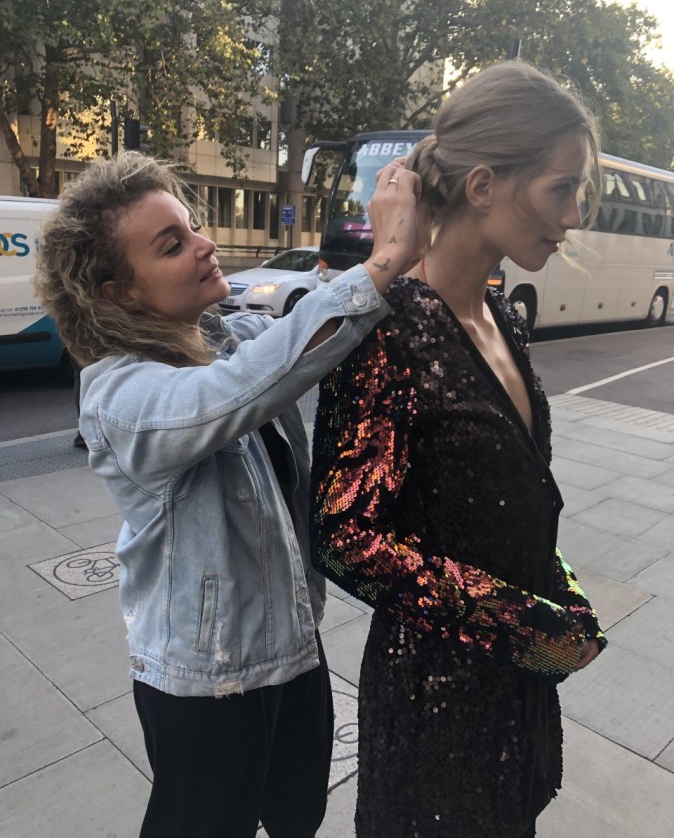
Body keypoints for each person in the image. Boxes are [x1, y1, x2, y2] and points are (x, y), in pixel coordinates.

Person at [34, 150, 423, 838]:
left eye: (192, 226)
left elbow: (302, 337)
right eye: (171, 245)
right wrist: (386, 256)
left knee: (299, 813)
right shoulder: (118, 395)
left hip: (294, 645)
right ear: (118, 292)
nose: (204, 244)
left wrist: (408, 236)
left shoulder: (226, 337)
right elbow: (241, 390)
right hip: (205, 681)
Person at [310, 60, 607, 838]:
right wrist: (522, 623)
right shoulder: (389, 331)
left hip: (513, 696)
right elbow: (343, 535)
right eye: (561, 189)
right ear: (483, 186)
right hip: (433, 714)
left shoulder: (505, 318)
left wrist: (565, 597)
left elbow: (516, 498)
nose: (573, 215)